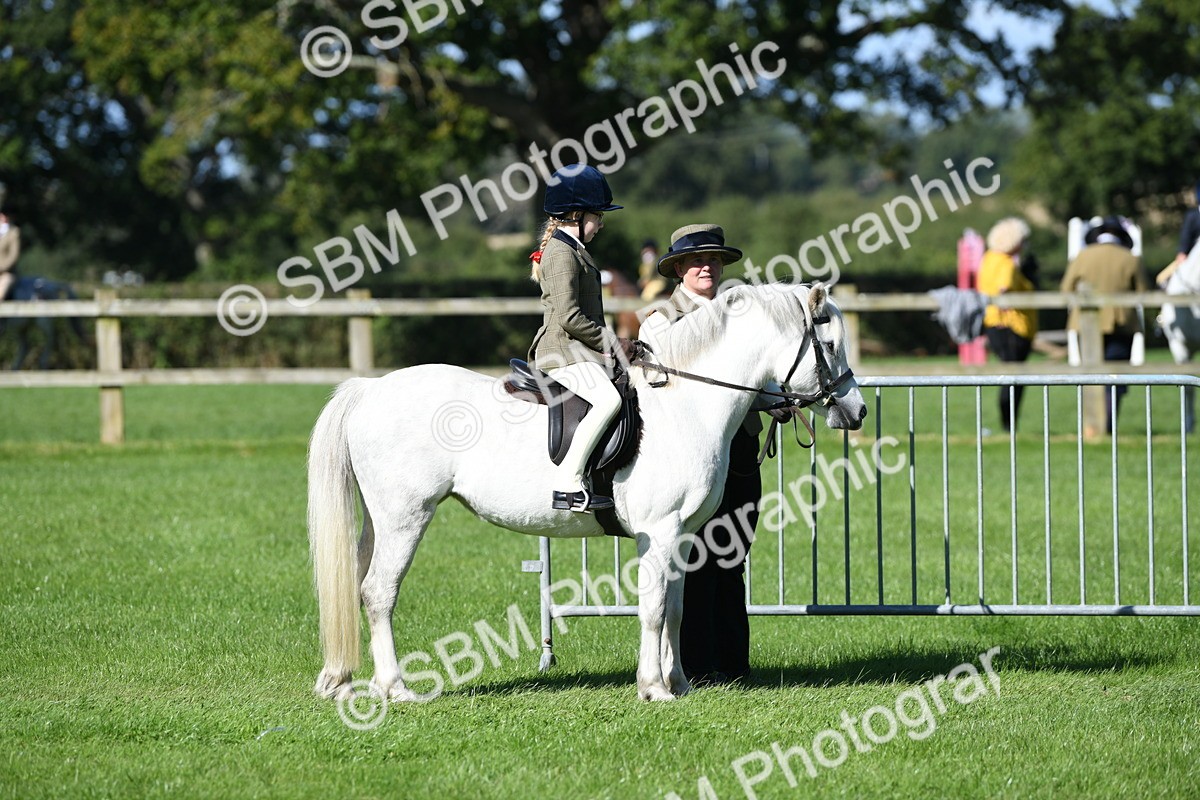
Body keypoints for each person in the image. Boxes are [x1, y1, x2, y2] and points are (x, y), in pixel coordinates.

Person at [640, 223, 776, 685]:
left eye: (715, 259)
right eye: (697, 259)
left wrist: (772, 399)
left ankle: (734, 666)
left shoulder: (743, 316)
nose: (707, 266)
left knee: (732, 556)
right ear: (678, 268)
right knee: (692, 560)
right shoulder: (659, 319)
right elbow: (659, 385)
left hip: (738, 449)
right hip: (683, 456)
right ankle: (694, 666)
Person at [527, 164, 628, 513]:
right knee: (608, 401)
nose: (601, 223)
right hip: (560, 352)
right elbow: (570, 318)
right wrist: (613, 343)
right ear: (575, 214)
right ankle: (568, 482)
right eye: (597, 216)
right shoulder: (560, 253)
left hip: (577, 350)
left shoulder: (572, 248)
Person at [1061, 215, 1149, 433]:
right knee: (1116, 376)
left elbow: (1066, 289)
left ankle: (1092, 427)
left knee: (1091, 375)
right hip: (1122, 324)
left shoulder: (1082, 256)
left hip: (1085, 324)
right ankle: (1109, 425)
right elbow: (1145, 293)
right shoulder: (1131, 258)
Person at [977, 217, 1037, 431]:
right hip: (1012, 325)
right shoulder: (1006, 263)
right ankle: (1009, 425)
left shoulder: (988, 258)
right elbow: (1004, 289)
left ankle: (1007, 424)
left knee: (1008, 375)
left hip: (993, 323)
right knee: (1014, 377)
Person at [1157, 181, 1200, 287]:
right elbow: (1185, 238)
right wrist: (1182, 252)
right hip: (1191, 257)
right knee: (1161, 280)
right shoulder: (1193, 216)